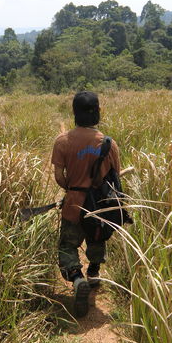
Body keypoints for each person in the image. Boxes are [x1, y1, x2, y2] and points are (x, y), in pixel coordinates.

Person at [51, 91, 121, 317]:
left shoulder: (62, 141)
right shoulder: (109, 144)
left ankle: (76, 277)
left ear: (74, 114)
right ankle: (94, 271)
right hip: (100, 205)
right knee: (97, 238)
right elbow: (115, 178)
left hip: (73, 203)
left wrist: (72, 188)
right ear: (98, 112)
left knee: (68, 245)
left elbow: (59, 176)